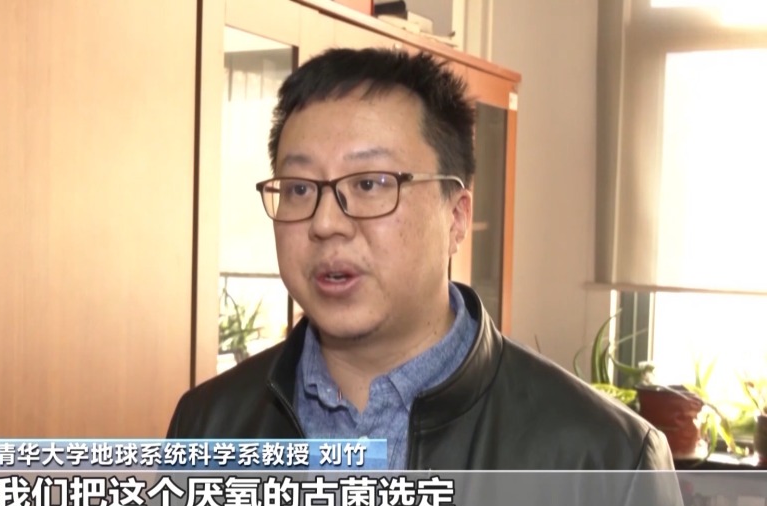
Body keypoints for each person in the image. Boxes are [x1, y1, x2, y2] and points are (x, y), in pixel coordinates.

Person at [167, 47, 677, 476]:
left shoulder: (608, 458)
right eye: (299, 188)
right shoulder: (207, 425)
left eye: (370, 184)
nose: (325, 222)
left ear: (456, 217)